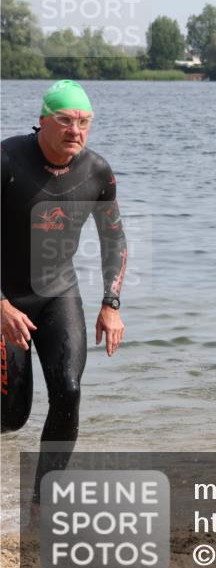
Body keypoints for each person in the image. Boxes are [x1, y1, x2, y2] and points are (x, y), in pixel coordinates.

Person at [1, 80, 127, 512]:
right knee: (11, 415)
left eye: (84, 122)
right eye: (66, 120)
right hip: (5, 298)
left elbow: (114, 240)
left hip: (57, 294)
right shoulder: (7, 160)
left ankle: (42, 505)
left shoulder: (96, 172)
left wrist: (110, 304)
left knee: (69, 391)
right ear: (43, 120)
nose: (76, 129)